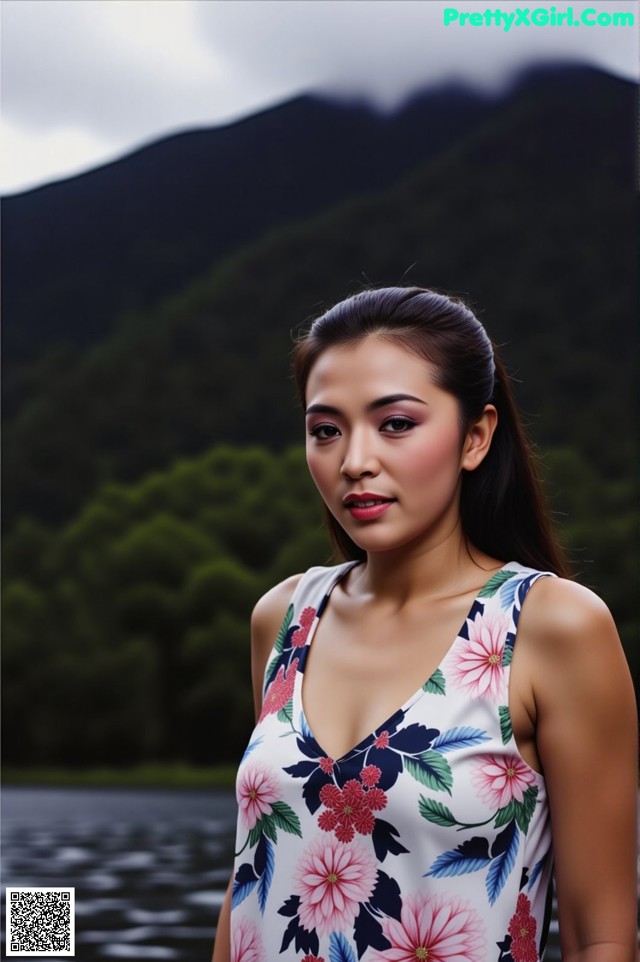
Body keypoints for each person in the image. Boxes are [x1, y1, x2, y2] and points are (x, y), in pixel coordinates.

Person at [212, 287, 637, 961]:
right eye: (326, 430)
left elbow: (603, 938)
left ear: (476, 437)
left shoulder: (551, 628)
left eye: (396, 424)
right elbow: (252, 888)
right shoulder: (284, 618)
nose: (354, 460)